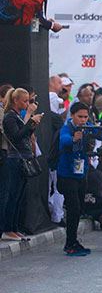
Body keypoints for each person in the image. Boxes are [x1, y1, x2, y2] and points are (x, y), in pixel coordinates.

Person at [57, 102, 102, 256]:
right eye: (80, 117)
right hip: (67, 176)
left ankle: (73, 241)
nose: (83, 120)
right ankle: (70, 243)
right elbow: (63, 141)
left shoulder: (88, 127)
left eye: (85, 117)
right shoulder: (67, 128)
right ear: (72, 115)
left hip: (81, 175)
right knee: (73, 209)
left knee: (78, 209)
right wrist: (74, 139)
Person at [1, 89, 41, 241]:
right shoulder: (10, 117)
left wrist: (32, 124)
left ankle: (14, 227)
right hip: (14, 159)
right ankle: (8, 228)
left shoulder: (16, 116)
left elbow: (25, 134)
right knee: (13, 195)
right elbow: (17, 136)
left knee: (19, 197)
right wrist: (31, 121)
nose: (27, 104)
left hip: (23, 157)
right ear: (15, 100)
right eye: (24, 101)